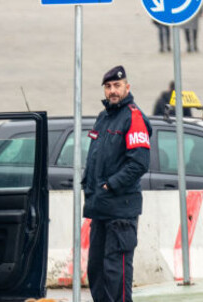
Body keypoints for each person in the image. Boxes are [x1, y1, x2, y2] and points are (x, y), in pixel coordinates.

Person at [83, 66, 152, 302]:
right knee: (97, 271)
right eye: (108, 86)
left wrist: (109, 185)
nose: (112, 91)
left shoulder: (133, 117)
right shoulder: (104, 117)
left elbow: (139, 164)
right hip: (100, 209)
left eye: (117, 86)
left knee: (116, 274)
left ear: (127, 87)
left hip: (121, 211)